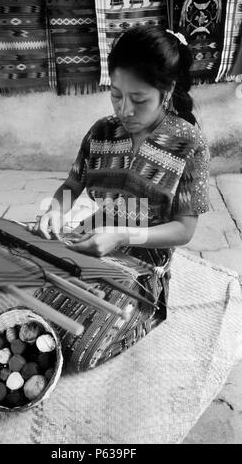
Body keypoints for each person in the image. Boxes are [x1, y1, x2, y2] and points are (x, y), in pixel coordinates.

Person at [30, 25, 211, 372]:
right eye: (115, 94)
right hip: (90, 239)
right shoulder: (102, 132)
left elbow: (183, 230)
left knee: (77, 348)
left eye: (139, 99)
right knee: (37, 316)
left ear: (167, 91)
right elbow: (72, 184)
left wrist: (122, 236)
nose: (125, 110)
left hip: (142, 264)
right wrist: (55, 210)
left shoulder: (190, 144)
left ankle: (144, 312)